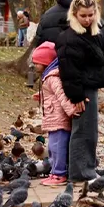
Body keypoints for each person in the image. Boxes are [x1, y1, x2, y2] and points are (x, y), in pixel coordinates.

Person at [54, 0, 104, 183]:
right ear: (74, 14)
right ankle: (81, 173)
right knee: (83, 132)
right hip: (82, 90)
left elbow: (99, 54)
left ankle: (87, 168)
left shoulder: (92, 32)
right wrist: (76, 97)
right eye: (83, 15)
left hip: (89, 87)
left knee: (90, 132)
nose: (88, 19)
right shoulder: (69, 38)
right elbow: (69, 70)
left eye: (91, 15)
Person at [30, 41, 76, 186]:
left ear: (46, 62)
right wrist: (41, 96)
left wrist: (71, 110)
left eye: (37, 62)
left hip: (58, 119)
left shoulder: (52, 78)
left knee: (58, 147)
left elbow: (61, 95)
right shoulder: (48, 76)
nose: (35, 66)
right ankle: (55, 171)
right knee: (52, 147)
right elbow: (52, 95)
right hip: (52, 117)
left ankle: (59, 174)